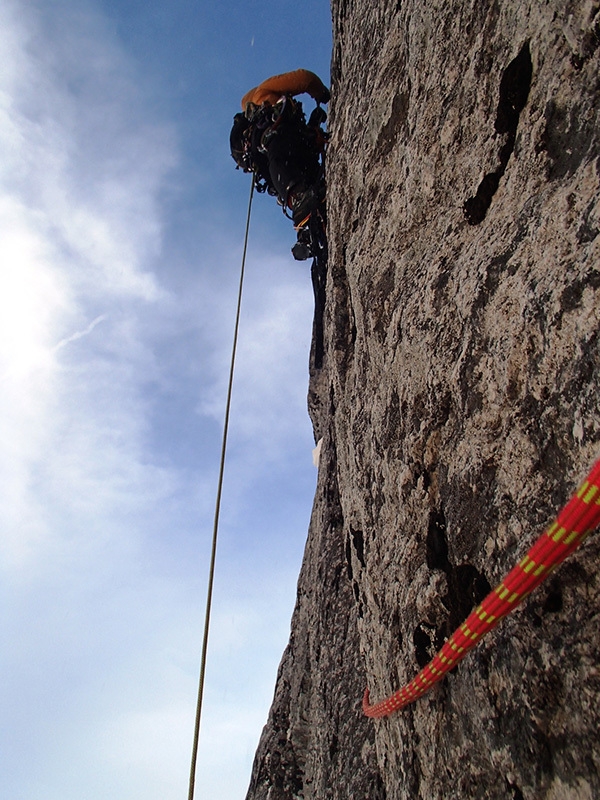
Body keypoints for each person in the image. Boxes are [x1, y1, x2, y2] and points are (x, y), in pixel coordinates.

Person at [230, 69, 329, 227]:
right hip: (285, 144)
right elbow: (305, 79)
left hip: (281, 164)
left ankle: (301, 202)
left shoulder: (259, 150)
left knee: (287, 163)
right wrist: (322, 93)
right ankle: (301, 196)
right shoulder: (262, 93)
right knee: (285, 153)